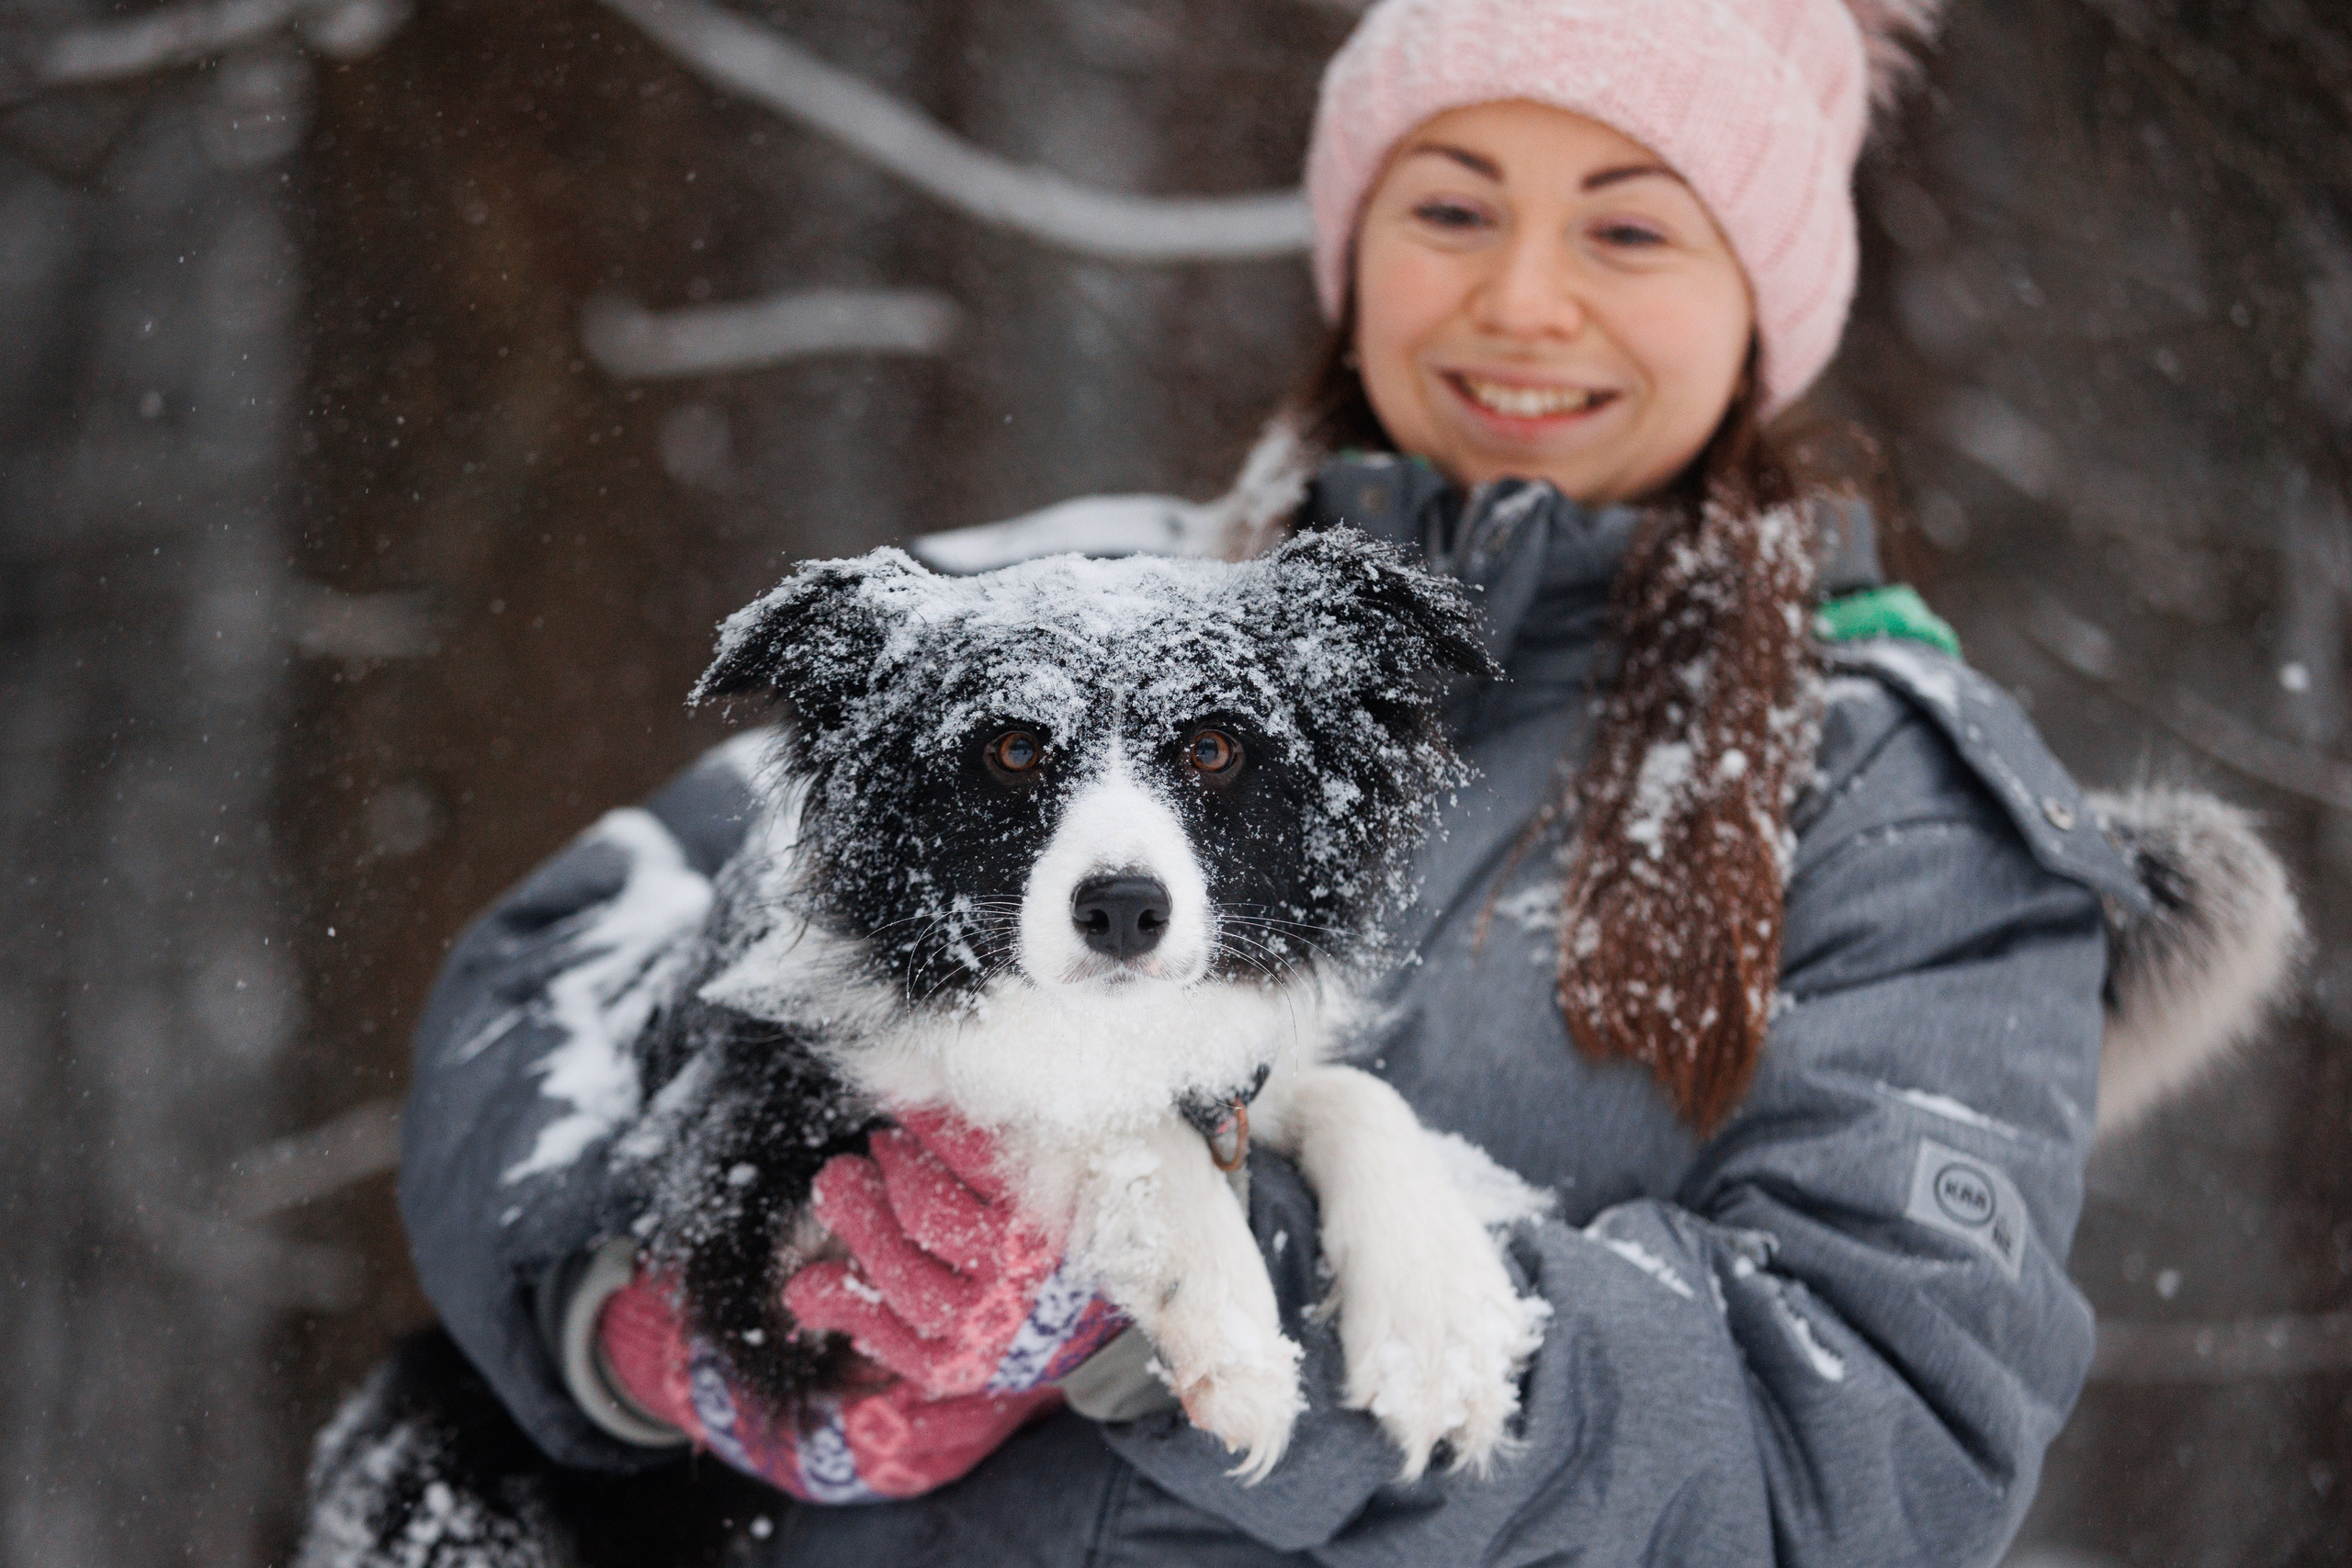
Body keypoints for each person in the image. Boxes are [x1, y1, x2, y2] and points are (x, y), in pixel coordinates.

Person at [363, 0, 2296, 1562]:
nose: (1520, 298)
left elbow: (1862, 1443)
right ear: (1350, 236)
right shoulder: (1043, 595)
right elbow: (553, 971)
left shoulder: (1895, 799)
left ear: (1763, 294)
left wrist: (1196, 1276)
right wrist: (641, 1331)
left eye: (1627, 225)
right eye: (1449, 205)